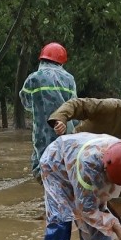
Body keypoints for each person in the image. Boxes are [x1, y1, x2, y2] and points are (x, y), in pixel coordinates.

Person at [47, 90, 121, 220]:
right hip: (83, 153)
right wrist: (60, 119)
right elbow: (77, 104)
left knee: (120, 194)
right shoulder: (109, 107)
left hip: (113, 157)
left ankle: (114, 227)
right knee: (81, 195)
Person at [19, 43, 77, 178]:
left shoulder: (34, 78)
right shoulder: (69, 79)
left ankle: (50, 190)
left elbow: (25, 100)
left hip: (42, 130)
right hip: (65, 130)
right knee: (64, 162)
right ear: (61, 62)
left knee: (41, 164)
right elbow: (74, 105)